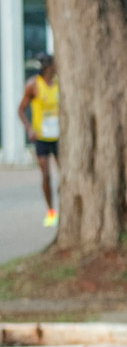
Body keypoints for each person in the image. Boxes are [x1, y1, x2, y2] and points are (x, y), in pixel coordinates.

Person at [17, 54, 60, 227]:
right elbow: (21, 110)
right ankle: (51, 211)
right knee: (46, 175)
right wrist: (29, 129)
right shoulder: (33, 85)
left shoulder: (59, 83)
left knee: (66, 174)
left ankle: (69, 207)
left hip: (59, 137)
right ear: (46, 67)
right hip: (42, 137)